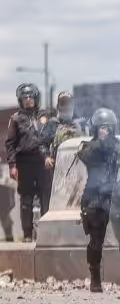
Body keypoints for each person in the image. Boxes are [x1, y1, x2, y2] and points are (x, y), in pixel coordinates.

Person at [77, 108, 120, 293]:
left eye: (108, 128)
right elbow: (85, 157)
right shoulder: (89, 147)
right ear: (95, 129)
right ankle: (95, 280)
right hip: (95, 199)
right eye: (101, 127)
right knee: (96, 241)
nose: (105, 131)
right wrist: (101, 141)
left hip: (118, 199)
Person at [5, 83, 52, 241]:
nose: (28, 100)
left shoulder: (45, 116)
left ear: (36, 98)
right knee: (26, 199)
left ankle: (45, 233)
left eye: (31, 96)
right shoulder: (16, 119)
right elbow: (10, 144)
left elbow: (51, 137)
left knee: (45, 197)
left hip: (42, 162)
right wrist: (12, 166)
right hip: (24, 164)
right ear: (20, 100)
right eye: (25, 97)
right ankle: (27, 234)